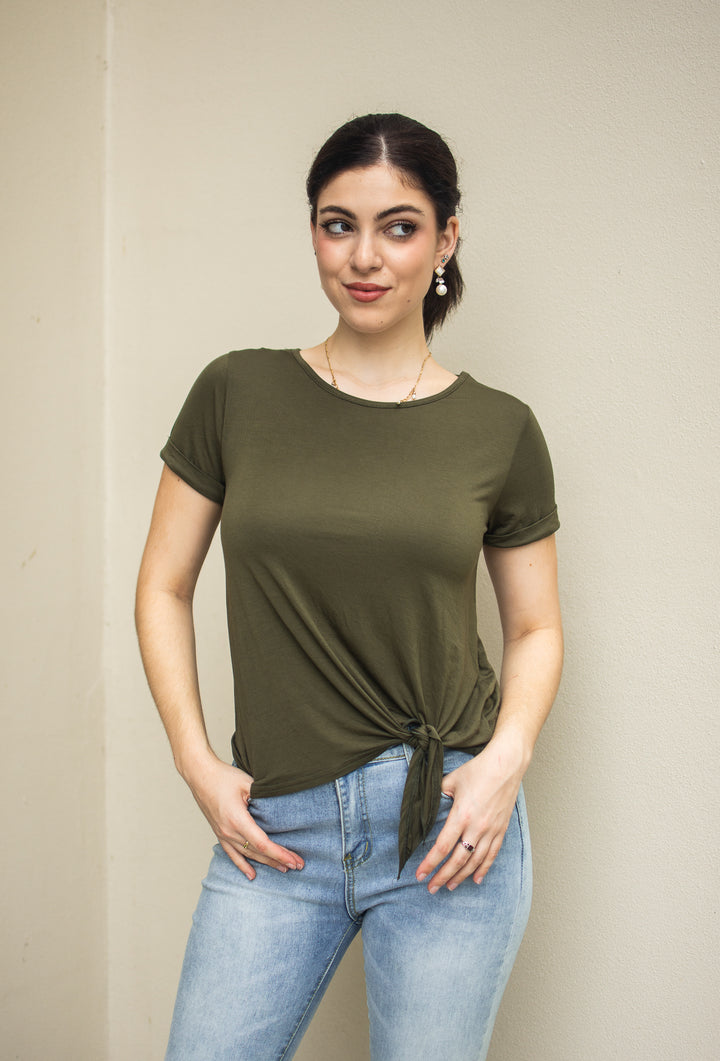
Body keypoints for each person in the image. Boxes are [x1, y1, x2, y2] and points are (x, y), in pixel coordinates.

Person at [135, 112, 563, 1061]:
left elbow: (535, 626)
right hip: (278, 826)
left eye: (399, 227)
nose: (365, 256)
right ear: (315, 232)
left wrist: (507, 759)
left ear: (445, 240)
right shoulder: (235, 392)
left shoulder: (500, 429)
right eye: (339, 225)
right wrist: (196, 762)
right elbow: (162, 585)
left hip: (449, 827)